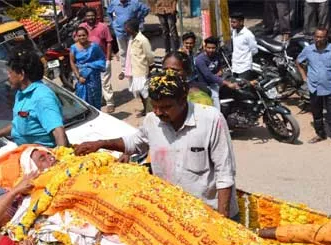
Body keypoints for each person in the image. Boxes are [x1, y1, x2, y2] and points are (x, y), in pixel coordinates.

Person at [74, 70, 239, 219]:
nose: (159, 112)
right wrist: (101, 143)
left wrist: (222, 221)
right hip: (175, 213)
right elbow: (135, 143)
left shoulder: (211, 120)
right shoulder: (152, 120)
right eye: (155, 106)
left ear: (183, 99)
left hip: (210, 213)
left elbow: (224, 174)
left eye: (166, 107)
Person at [0, 45, 68, 148]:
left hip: (44, 158)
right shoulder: (21, 94)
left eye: (10, 73)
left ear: (21, 74)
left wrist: (60, 159)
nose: (8, 77)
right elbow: (17, 124)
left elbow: (59, 133)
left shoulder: (42, 97)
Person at [297, 28, 331, 148]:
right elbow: (298, 62)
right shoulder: (308, 50)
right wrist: (304, 78)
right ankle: (320, 134)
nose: (318, 39)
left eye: (321, 37)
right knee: (316, 113)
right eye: (317, 37)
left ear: (326, 37)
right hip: (314, 88)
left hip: (330, 87)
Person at [79, 8, 116, 113]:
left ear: (96, 16)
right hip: (88, 62)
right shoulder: (81, 27)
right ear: (85, 17)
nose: (90, 17)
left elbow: (109, 42)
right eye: (88, 16)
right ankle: (97, 102)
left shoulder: (103, 27)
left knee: (105, 81)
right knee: (92, 82)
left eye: (92, 15)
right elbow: (77, 41)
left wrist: (108, 58)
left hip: (102, 59)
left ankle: (110, 103)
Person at [107, 0, 150, 79]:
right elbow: (108, 12)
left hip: (132, 31)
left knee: (135, 50)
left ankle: (136, 68)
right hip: (119, 31)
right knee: (123, 51)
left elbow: (146, 9)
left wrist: (139, 20)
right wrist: (112, 23)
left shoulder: (135, 3)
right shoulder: (114, 3)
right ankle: (124, 70)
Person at [195, 37, 239, 109]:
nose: (211, 50)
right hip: (204, 86)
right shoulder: (200, 59)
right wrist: (227, 83)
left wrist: (220, 72)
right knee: (214, 107)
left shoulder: (217, 56)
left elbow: (220, 69)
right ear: (205, 47)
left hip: (215, 84)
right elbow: (208, 75)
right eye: (209, 48)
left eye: (213, 48)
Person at [70, 27, 107, 109]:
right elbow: (72, 62)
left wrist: (91, 65)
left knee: (95, 98)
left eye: (84, 35)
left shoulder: (94, 46)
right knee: (83, 100)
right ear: (76, 36)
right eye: (79, 36)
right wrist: (78, 77)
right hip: (82, 77)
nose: (82, 37)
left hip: (94, 77)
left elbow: (102, 59)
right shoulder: (73, 47)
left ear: (87, 35)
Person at [124, 19, 154, 116]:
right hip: (134, 70)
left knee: (145, 93)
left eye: (126, 28)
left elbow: (149, 55)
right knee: (140, 92)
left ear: (132, 28)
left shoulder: (142, 40)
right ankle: (145, 109)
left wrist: (149, 67)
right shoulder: (131, 39)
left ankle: (150, 112)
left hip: (141, 70)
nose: (125, 30)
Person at [229, 13, 258, 80]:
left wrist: (246, 58)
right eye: (231, 22)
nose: (232, 24)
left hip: (245, 68)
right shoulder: (234, 32)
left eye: (234, 22)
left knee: (244, 88)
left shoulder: (248, 35)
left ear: (241, 22)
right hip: (235, 67)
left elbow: (254, 50)